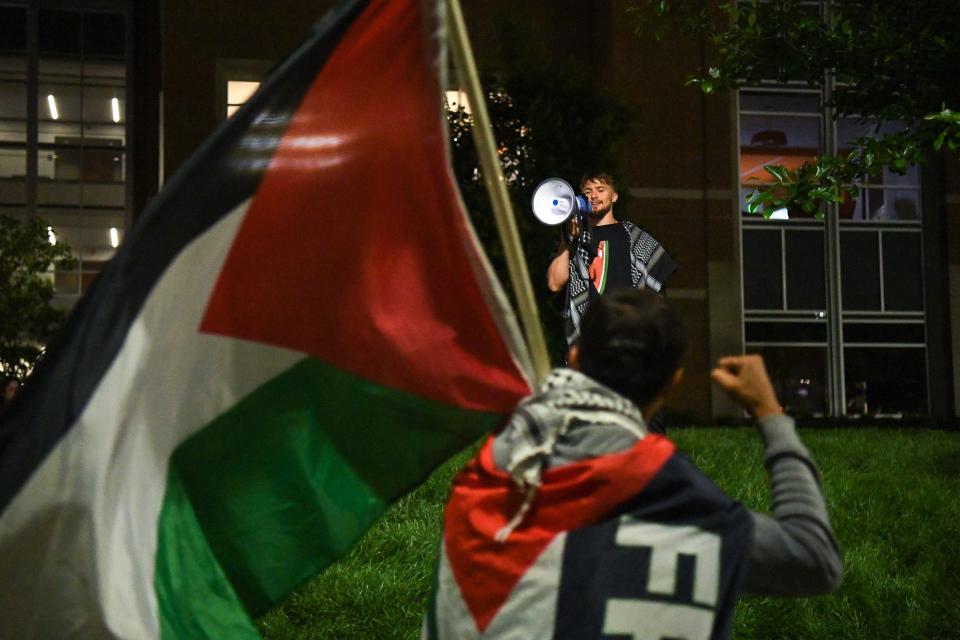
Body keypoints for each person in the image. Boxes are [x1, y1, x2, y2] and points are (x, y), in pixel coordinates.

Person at [424, 289, 842, 640]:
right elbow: (814, 556)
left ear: (574, 357)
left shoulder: (492, 467)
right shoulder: (672, 496)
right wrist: (770, 413)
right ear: (672, 383)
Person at [546, 172, 677, 348]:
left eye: (600, 190)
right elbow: (554, 284)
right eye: (588, 191)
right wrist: (566, 241)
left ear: (614, 196)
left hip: (630, 339)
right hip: (588, 340)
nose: (593, 196)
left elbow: (657, 296)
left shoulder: (634, 237)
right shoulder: (573, 239)